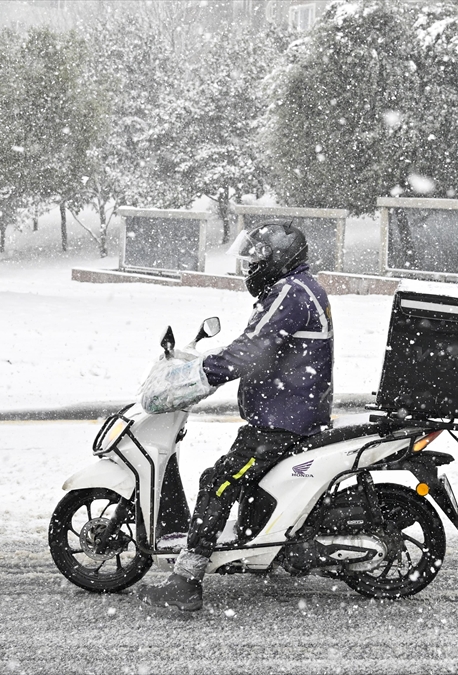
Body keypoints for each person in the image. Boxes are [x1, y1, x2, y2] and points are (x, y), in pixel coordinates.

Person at [137, 220, 334, 611]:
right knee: (245, 482)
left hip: (283, 421)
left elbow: (252, 350)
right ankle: (262, 549)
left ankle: (187, 580)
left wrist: (200, 375)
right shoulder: (294, 288)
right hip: (288, 413)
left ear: (278, 258)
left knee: (218, 483)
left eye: (256, 257)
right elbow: (256, 344)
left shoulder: (289, 293)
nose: (249, 266)